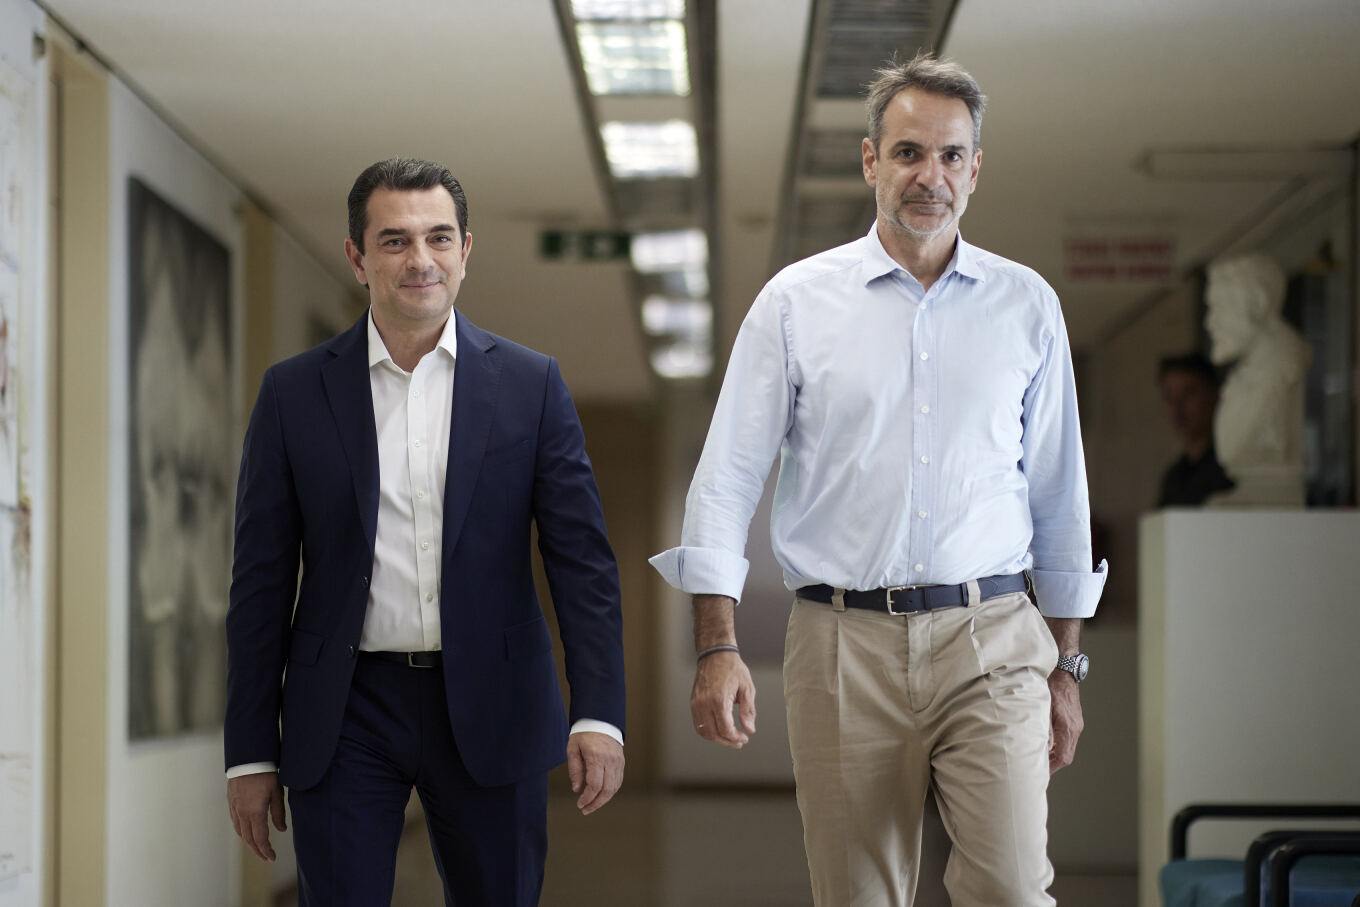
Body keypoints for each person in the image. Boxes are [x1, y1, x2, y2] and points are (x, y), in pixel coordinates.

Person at [650, 54, 1107, 906]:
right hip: (841, 644)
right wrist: (717, 645)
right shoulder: (795, 303)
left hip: (992, 637)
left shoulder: (1026, 306)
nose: (930, 176)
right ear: (871, 161)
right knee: (858, 895)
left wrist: (1067, 668)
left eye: (950, 155)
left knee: (1012, 887)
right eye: (908, 153)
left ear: (975, 169)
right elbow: (727, 479)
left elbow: (1059, 492)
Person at [224, 158, 626, 906]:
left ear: (465, 251)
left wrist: (598, 712)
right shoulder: (294, 393)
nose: (421, 259)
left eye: (439, 237)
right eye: (395, 240)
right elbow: (260, 582)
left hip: (494, 699)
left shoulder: (531, 386)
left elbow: (583, 565)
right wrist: (249, 752)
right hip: (344, 708)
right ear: (357, 258)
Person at [1203, 251, 1310, 506]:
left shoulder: (1280, 366)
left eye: (1220, 308)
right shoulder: (1251, 373)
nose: (1209, 322)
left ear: (1258, 304)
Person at [1156, 353, 1235, 506]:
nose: (1177, 409)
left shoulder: (1231, 468)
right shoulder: (1174, 476)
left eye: (1189, 394)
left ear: (1214, 395)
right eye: (1169, 397)